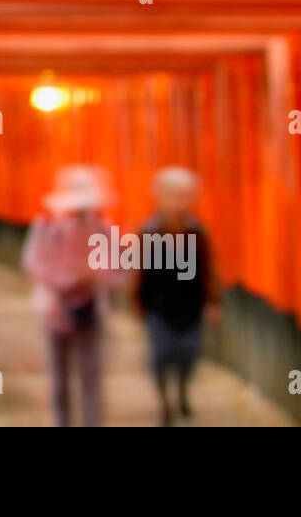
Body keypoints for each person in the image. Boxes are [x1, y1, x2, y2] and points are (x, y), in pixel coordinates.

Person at [20, 165, 114, 426]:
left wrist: (92, 275)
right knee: (59, 381)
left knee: (91, 378)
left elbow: (115, 267)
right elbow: (33, 263)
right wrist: (65, 280)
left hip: (90, 308)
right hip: (55, 309)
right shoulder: (47, 226)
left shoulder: (102, 228)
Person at [135, 166, 220, 426]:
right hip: (158, 305)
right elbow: (139, 271)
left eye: (184, 195)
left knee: (189, 353)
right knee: (160, 355)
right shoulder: (149, 231)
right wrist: (137, 304)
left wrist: (214, 301)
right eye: (173, 195)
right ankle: (164, 404)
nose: (178, 202)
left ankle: (182, 392)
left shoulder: (197, 232)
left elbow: (209, 268)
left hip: (191, 304)